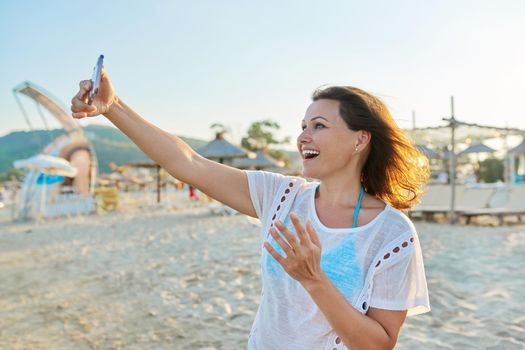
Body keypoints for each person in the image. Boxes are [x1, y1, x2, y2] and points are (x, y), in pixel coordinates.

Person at [71, 68, 431, 349]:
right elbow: (189, 164)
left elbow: (379, 344)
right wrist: (112, 107)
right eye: (303, 126)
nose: (303, 136)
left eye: (319, 126)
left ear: (360, 139)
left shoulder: (391, 234)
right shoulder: (281, 195)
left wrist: (314, 278)